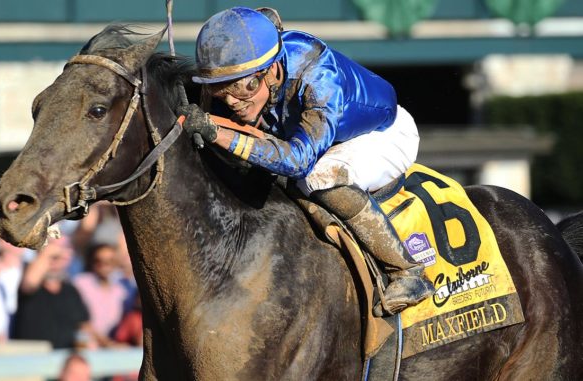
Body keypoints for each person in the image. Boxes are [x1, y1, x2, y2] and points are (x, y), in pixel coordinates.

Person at [180, 7, 434, 315]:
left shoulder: (319, 79)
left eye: (243, 87)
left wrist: (217, 133)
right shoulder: (256, 69)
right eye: (221, 90)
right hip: (310, 139)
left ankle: (407, 272)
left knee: (319, 177)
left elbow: (299, 162)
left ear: (273, 69)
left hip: (381, 134)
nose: (232, 101)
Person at [12, 236, 102, 349]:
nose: (56, 261)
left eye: (60, 257)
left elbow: (83, 325)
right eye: (53, 257)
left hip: (63, 359)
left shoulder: (70, 291)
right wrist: (49, 251)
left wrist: (96, 343)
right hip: (32, 359)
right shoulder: (30, 282)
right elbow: (29, 284)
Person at [73, 244, 127, 346]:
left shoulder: (121, 290)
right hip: (87, 346)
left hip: (112, 345)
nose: (104, 265)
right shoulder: (80, 283)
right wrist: (107, 343)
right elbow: (79, 320)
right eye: (99, 261)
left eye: (110, 261)